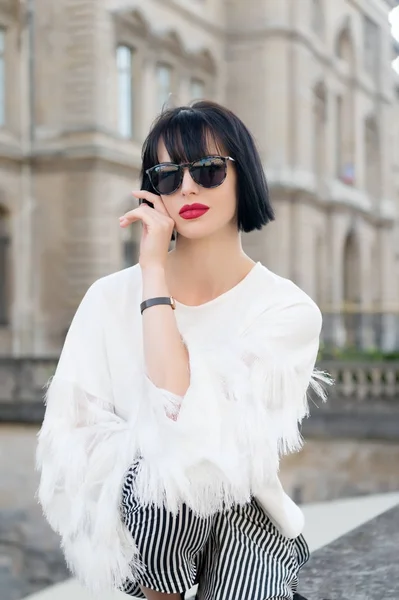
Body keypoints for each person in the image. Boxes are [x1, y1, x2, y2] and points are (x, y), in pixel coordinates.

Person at [36, 101, 330, 600]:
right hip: (142, 519)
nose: (188, 187)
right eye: (169, 176)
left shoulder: (287, 310)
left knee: (184, 458)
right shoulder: (109, 298)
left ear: (244, 176)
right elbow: (76, 442)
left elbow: (190, 424)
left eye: (210, 171)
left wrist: (153, 284)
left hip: (245, 514)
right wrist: (153, 274)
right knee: (159, 474)